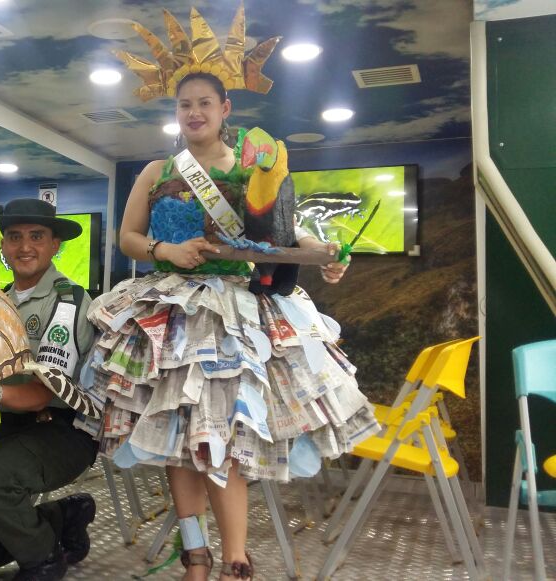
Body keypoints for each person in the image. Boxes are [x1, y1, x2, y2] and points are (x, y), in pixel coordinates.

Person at [93, 8, 378, 581]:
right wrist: (166, 250)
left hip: (235, 313)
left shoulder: (254, 168)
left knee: (224, 438)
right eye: (184, 104)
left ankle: (237, 559)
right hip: (169, 313)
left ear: (225, 110)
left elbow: (284, 232)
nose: (193, 112)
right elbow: (127, 238)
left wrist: (322, 252)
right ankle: (195, 554)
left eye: (204, 103)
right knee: (174, 435)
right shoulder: (155, 171)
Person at [0, 199, 99, 581]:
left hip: (63, 431)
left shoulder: (68, 302)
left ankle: (44, 559)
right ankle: (64, 515)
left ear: (55, 244)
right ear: (3, 246)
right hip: (13, 431)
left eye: (37, 236)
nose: (25, 246)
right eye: (14, 237)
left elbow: (43, 395)